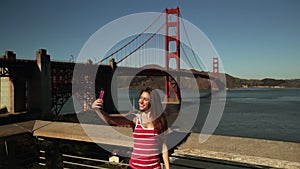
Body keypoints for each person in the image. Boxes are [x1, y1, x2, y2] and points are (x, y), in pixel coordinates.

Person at [92, 87, 170, 169]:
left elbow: (164, 146)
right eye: (140, 98)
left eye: (145, 99)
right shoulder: (135, 119)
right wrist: (97, 110)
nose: (140, 101)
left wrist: (168, 168)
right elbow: (110, 120)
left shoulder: (160, 121)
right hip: (135, 167)